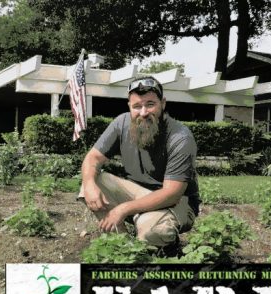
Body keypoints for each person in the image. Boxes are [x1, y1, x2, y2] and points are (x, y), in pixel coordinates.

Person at [79, 76, 200, 248]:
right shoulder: (121, 123)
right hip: (138, 194)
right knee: (91, 182)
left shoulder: (180, 137)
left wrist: (124, 209)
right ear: (129, 106)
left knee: (154, 232)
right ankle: (122, 246)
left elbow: (172, 194)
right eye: (137, 106)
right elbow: (93, 158)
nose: (143, 112)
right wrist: (90, 184)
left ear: (163, 103)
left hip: (177, 203)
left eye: (150, 104)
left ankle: (162, 241)